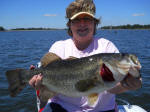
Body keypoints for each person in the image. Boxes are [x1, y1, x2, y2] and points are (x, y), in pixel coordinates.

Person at [29, 0, 142, 112]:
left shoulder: (106, 46)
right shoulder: (59, 47)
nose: (82, 24)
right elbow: (48, 89)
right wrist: (41, 86)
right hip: (61, 108)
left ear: (94, 23)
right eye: (76, 20)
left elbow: (112, 87)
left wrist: (126, 85)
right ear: (70, 25)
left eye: (87, 19)